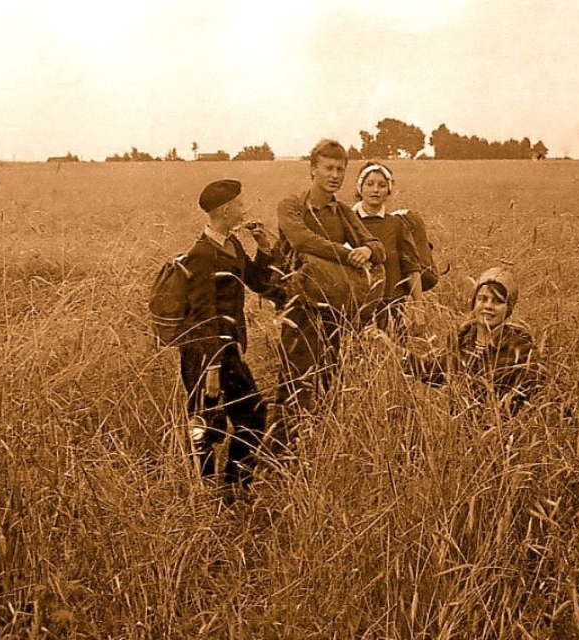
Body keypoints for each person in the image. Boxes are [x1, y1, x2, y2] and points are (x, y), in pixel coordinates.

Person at [273, 139, 386, 422]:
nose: (335, 176)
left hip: (333, 308)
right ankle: (279, 453)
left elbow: (377, 246)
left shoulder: (343, 212)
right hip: (299, 308)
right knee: (294, 383)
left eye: (340, 170)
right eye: (328, 168)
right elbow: (301, 240)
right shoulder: (291, 206)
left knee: (329, 380)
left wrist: (367, 249)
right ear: (313, 169)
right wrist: (347, 255)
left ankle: (320, 446)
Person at [178, 179, 275, 488]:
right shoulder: (202, 254)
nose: (244, 210)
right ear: (225, 210)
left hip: (227, 349)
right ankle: (209, 496)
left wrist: (263, 248)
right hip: (205, 354)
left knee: (251, 416)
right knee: (206, 428)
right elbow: (204, 316)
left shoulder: (231, 245)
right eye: (239, 205)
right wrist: (214, 368)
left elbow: (258, 282)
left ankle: (234, 486)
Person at [395, 267, 541, 420]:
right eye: (482, 299)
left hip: (500, 432)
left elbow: (533, 398)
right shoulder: (462, 339)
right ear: (474, 303)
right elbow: (434, 372)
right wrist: (394, 351)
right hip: (458, 428)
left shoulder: (520, 348)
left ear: (508, 309)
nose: (488, 306)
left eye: (498, 301)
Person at [351, 162, 423, 333]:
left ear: (389, 190)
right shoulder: (349, 222)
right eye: (369, 184)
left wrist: (419, 309)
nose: (375, 190)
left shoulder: (396, 224)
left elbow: (411, 268)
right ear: (360, 187)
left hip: (392, 306)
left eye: (382, 185)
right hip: (357, 307)